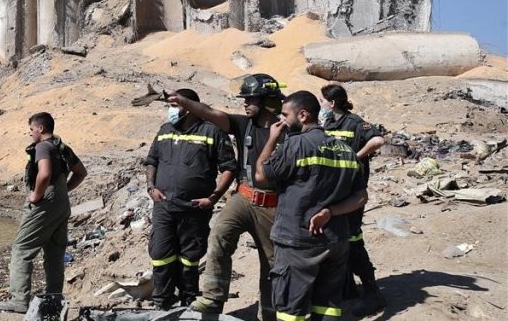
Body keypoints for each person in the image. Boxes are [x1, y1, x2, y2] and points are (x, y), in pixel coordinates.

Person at [173, 73, 286, 321]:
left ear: (266, 100)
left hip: (274, 206)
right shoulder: (243, 124)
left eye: (250, 99)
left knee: (273, 264)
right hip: (243, 197)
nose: (244, 104)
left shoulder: (288, 132)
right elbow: (211, 112)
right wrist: (183, 100)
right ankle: (213, 298)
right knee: (219, 237)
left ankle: (269, 313)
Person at [255, 91, 368, 321]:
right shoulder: (345, 151)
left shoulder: (295, 146)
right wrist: (331, 212)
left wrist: (272, 138)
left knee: (290, 311)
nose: (282, 120)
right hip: (335, 241)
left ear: (303, 115)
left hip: (298, 241)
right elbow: (361, 197)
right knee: (327, 307)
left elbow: (260, 175)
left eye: (286, 115)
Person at [144, 89, 236, 309]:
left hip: (194, 208)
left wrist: (213, 197)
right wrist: (151, 188)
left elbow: (229, 168)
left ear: (190, 107)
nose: (171, 111)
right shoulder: (165, 130)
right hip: (164, 206)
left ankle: (188, 302)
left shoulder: (211, 132)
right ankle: (163, 302)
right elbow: (152, 161)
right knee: (160, 255)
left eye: (176, 106)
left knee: (189, 257)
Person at [0, 112, 87, 313]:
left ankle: (19, 300)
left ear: (40, 129)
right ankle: (54, 298)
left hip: (45, 202)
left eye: (31, 129)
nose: (29, 133)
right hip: (62, 204)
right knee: (55, 252)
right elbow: (81, 172)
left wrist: (37, 195)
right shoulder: (62, 147)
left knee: (22, 248)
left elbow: (44, 173)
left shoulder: (43, 147)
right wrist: (64, 190)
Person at [320, 83, 386, 315]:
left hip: (351, 193)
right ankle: (346, 289)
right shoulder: (327, 123)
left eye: (323, 101)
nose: (322, 105)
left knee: (353, 240)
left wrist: (356, 157)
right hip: (331, 191)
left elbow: (378, 140)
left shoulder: (355, 123)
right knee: (335, 241)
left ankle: (372, 291)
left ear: (333, 103)